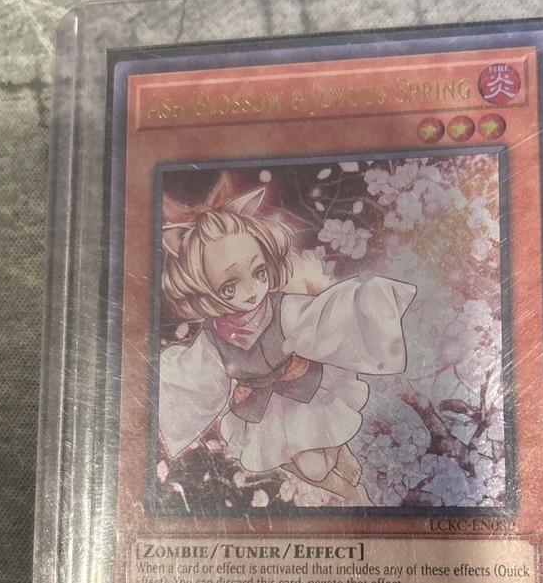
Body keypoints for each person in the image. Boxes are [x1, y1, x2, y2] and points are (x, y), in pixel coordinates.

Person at [158, 174, 415, 507]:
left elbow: (326, 321)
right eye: (229, 287)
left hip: (304, 389)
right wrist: (234, 391)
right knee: (306, 466)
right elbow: (196, 380)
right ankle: (351, 492)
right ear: (202, 290)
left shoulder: (283, 308)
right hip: (262, 409)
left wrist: (367, 307)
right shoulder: (211, 337)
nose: (252, 291)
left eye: (259, 272)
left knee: (324, 444)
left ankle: (341, 451)